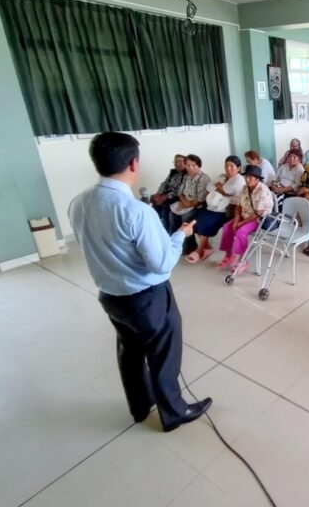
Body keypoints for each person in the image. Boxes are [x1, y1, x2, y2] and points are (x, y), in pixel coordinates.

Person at [68, 132, 211, 433]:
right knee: (163, 354)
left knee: (130, 352)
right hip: (146, 297)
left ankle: (139, 406)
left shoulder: (78, 203)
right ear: (134, 163)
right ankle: (174, 412)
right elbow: (160, 263)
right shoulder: (136, 211)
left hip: (111, 296)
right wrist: (179, 236)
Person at [187, 156, 245, 263]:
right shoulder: (221, 176)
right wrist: (220, 189)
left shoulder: (239, 179)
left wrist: (220, 188)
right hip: (213, 206)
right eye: (227, 165)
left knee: (208, 220)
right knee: (197, 217)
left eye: (232, 166)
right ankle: (207, 247)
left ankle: (200, 250)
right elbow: (209, 186)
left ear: (238, 168)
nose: (229, 168)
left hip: (229, 209)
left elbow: (227, 190)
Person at [217, 165, 274, 272]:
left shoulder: (263, 190)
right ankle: (228, 255)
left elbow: (257, 213)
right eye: (246, 177)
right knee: (227, 227)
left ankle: (243, 261)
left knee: (241, 232)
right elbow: (239, 206)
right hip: (244, 215)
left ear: (257, 179)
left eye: (250, 177)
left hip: (257, 219)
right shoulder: (244, 188)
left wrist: (240, 223)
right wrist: (236, 220)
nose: (247, 180)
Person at [168, 154, 210, 235]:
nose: (190, 168)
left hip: (198, 206)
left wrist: (187, 204)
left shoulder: (204, 178)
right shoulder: (186, 176)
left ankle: (189, 243)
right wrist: (185, 203)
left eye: (193, 165)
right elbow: (180, 193)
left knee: (186, 217)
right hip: (185, 203)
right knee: (171, 215)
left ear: (199, 166)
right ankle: (175, 239)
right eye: (188, 165)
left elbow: (199, 200)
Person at [150, 154, 185, 231]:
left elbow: (180, 190)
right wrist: (158, 194)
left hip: (177, 198)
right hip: (166, 196)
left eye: (180, 161)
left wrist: (165, 197)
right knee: (153, 209)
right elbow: (164, 184)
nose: (177, 164)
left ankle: (167, 235)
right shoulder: (173, 172)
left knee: (166, 210)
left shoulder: (187, 175)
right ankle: (153, 232)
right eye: (175, 161)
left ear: (185, 163)